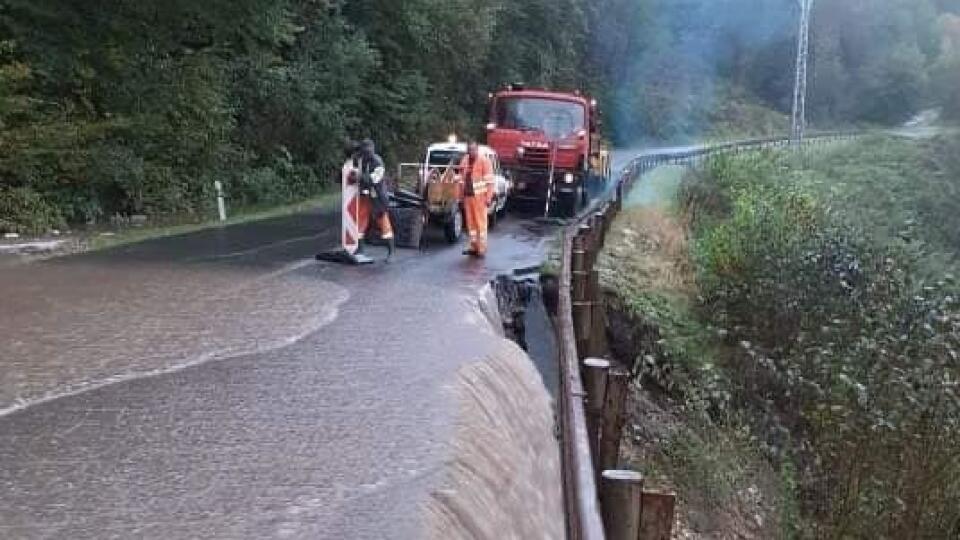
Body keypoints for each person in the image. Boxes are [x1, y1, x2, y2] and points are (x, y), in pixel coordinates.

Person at [348, 139, 395, 262]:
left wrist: (358, 177)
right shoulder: (359, 159)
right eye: (363, 151)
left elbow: (373, 179)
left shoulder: (378, 163)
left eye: (367, 151)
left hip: (378, 198)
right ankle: (360, 250)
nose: (365, 154)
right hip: (364, 196)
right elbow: (351, 168)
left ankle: (391, 252)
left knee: (384, 225)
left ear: (372, 151)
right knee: (360, 222)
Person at [457, 142, 494, 257]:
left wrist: (488, 198)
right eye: (469, 150)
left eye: (473, 150)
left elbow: (489, 182)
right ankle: (473, 246)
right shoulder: (464, 160)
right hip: (468, 197)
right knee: (470, 224)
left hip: (479, 198)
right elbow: (460, 180)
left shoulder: (485, 161)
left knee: (480, 223)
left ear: (477, 150)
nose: (471, 152)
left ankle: (481, 248)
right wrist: (460, 197)